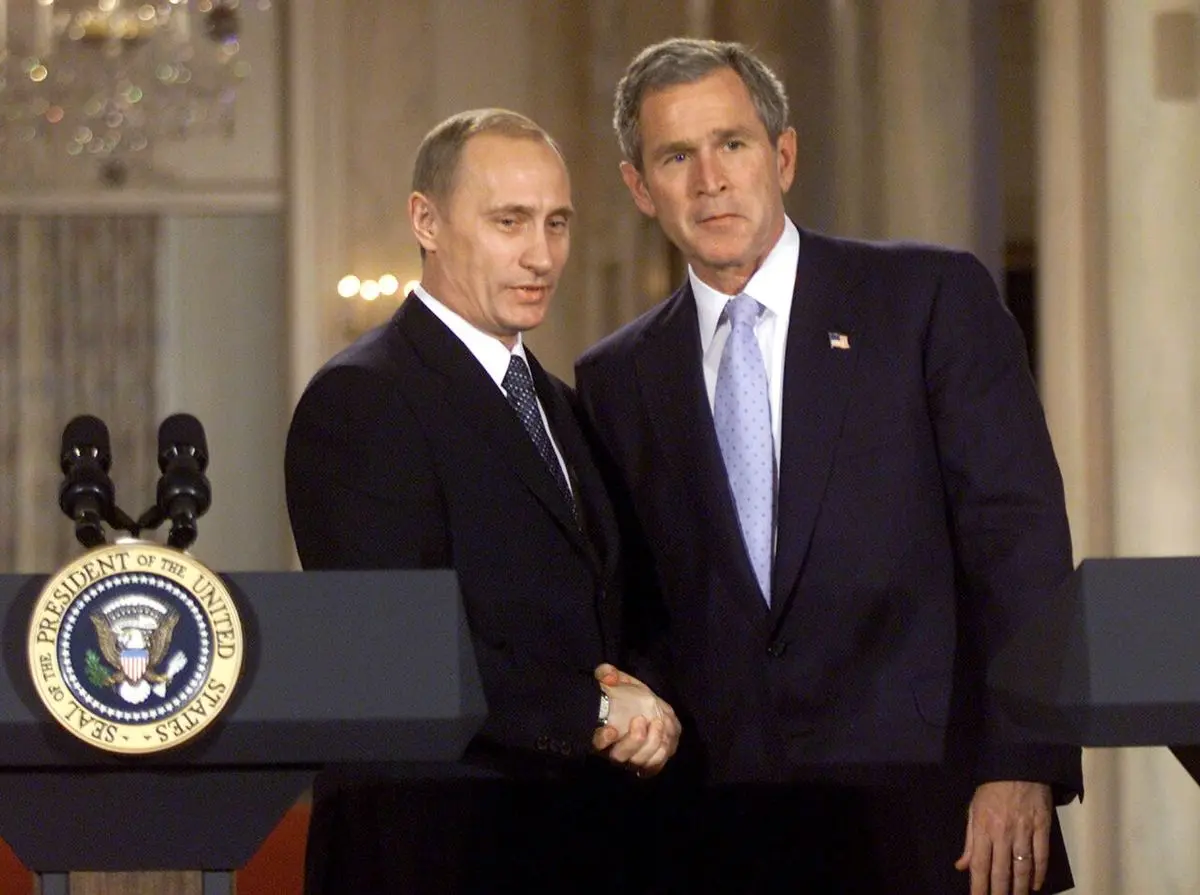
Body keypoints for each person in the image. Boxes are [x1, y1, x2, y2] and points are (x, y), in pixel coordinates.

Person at [575, 38, 1082, 895]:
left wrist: (1022, 761)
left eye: (732, 144)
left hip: (938, 818)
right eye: (676, 156)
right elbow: (644, 604)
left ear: (783, 156)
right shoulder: (616, 377)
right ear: (639, 186)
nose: (710, 180)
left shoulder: (928, 299)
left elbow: (1019, 544)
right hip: (719, 830)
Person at [285, 108, 679, 895]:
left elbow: (608, 601)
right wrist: (596, 713)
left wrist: (646, 707)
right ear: (425, 221)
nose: (542, 255)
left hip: (574, 840)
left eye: (557, 223)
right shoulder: (362, 397)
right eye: (509, 222)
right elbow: (394, 648)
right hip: (430, 850)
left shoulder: (560, 403)